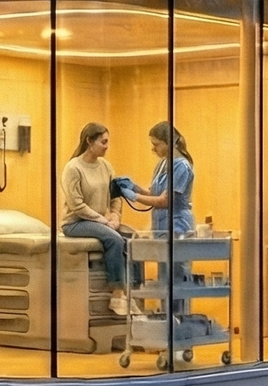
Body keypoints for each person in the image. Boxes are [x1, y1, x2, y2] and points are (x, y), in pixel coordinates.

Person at [60, 122, 130, 290]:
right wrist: (103, 221)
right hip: (76, 223)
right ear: (89, 142)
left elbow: (115, 197)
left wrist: (115, 216)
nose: (107, 146)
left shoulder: (106, 166)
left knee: (133, 239)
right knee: (114, 239)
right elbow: (76, 205)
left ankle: (133, 291)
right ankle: (117, 292)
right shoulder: (73, 168)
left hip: (99, 221)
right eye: (103, 142)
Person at [126, 122, 196, 237]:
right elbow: (154, 194)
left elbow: (164, 201)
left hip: (178, 226)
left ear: (169, 143)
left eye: (156, 144)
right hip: (160, 226)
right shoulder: (163, 164)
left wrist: (134, 197)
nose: (153, 148)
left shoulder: (181, 166)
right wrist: (134, 188)